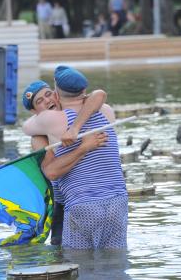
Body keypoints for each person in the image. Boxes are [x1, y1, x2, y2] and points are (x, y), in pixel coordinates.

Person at [23, 66, 128, 249]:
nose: (47, 100)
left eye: (48, 94)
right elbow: (99, 94)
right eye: (40, 100)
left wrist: (76, 136)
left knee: (78, 267)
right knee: (115, 265)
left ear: (56, 93)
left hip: (82, 205)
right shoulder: (105, 110)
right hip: (118, 202)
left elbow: (26, 128)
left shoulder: (50, 120)